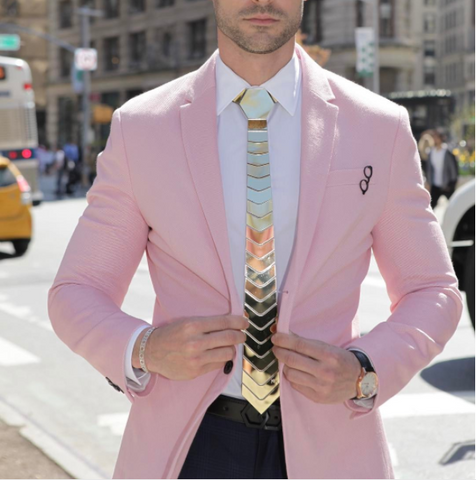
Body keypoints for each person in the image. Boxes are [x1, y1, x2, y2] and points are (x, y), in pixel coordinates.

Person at [47, 1, 464, 478]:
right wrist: (143, 348)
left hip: (333, 446)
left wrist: (365, 371)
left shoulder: (379, 127)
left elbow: (432, 290)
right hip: (189, 445)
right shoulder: (141, 128)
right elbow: (76, 291)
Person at [426, 129, 459, 209]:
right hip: (435, 185)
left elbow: (453, 168)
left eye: (437, 137)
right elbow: (429, 169)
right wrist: (428, 182)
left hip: (447, 184)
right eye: (434, 137)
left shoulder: (447, 151)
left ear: (441, 138)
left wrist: (452, 183)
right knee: (431, 207)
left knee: (454, 206)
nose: (435, 139)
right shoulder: (431, 152)